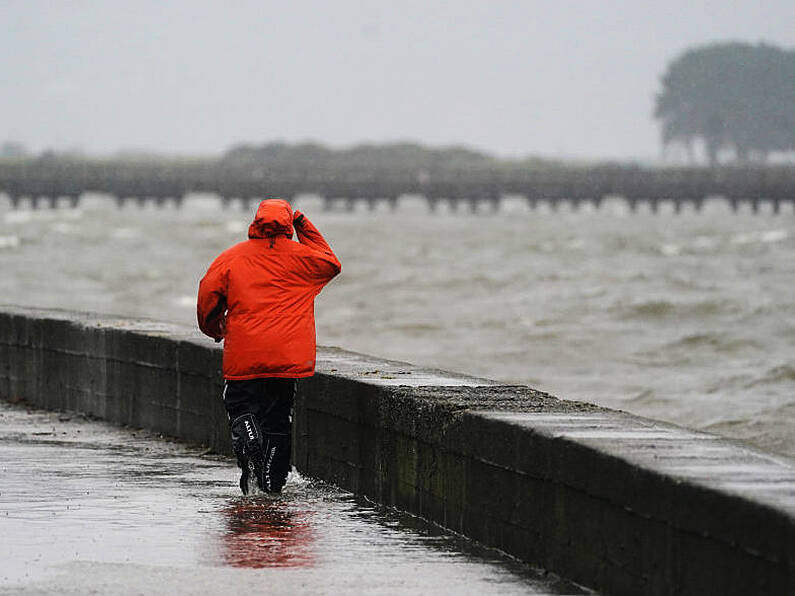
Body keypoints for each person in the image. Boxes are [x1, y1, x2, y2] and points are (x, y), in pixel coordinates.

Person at [197, 198, 341, 494]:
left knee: (240, 408)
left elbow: (206, 299)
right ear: (288, 224)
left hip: (244, 357)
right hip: (285, 359)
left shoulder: (232, 258)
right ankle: (271, 484)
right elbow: (331, 262)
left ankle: (248, 433)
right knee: (278, 421)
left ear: (256, 221)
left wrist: (214, 328)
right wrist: (301, 221)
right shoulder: (303, 259)